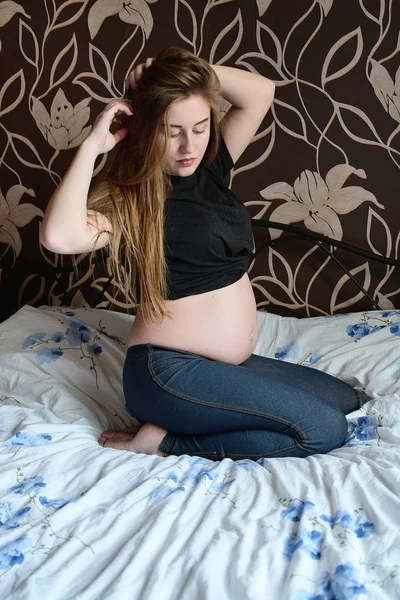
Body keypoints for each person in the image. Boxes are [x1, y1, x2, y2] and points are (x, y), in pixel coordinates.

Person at [40, 47, 360, 461]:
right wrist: (92, 146)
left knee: (344, 401)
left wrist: (189, 72)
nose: (188, 145)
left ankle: (198, 418)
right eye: (172, 131)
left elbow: (261, 91)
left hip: (222, 370)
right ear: (143, 129)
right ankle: (162, 441)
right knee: (323, 429)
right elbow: (58, 237)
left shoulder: (210, 167)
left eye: (200, 126)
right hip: (167, 373)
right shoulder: (131, 201)